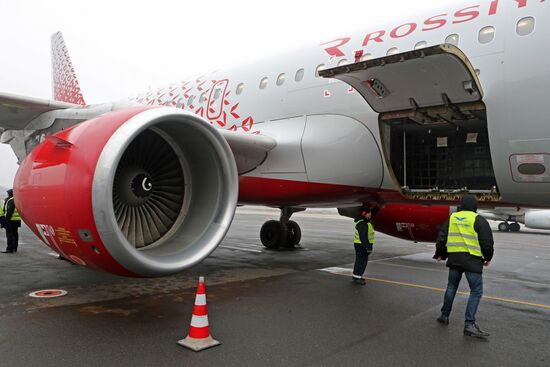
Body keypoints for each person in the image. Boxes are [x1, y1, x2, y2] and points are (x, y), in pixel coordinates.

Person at [434, 194, 494, 338]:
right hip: (472, 261)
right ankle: (469, 324)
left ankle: (444, 315)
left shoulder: (452, 218)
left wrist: (441, 254)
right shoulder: (478, 220)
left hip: (455, 259)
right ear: (475, 206)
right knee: (476, 291)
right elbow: (487, 242)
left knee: (451, 287)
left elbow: (442, 237)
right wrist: (487, 258)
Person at [352, 205, 379, 285]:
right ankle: (357, 277)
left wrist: (377, 207)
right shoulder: (362, 224)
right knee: (361, 261)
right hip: (361, 245)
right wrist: (368, 247)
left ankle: (358, 276)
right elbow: (363, 237)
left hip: (361, 244)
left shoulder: (365, 221)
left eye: (370, 213)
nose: (370, 214)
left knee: (362, 261)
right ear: (364, 214)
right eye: (368, 213)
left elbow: (372, 214)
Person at [1, 189, 22, 254]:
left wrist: (6, 220)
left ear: (10, 194)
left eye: (8, 193)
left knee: (9, 235)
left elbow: (9, 211)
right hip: (17, 220)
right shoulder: (17, 199)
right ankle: (14, 248)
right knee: (15, 234)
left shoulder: (10, 200)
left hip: (11, 221)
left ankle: (9, 249)